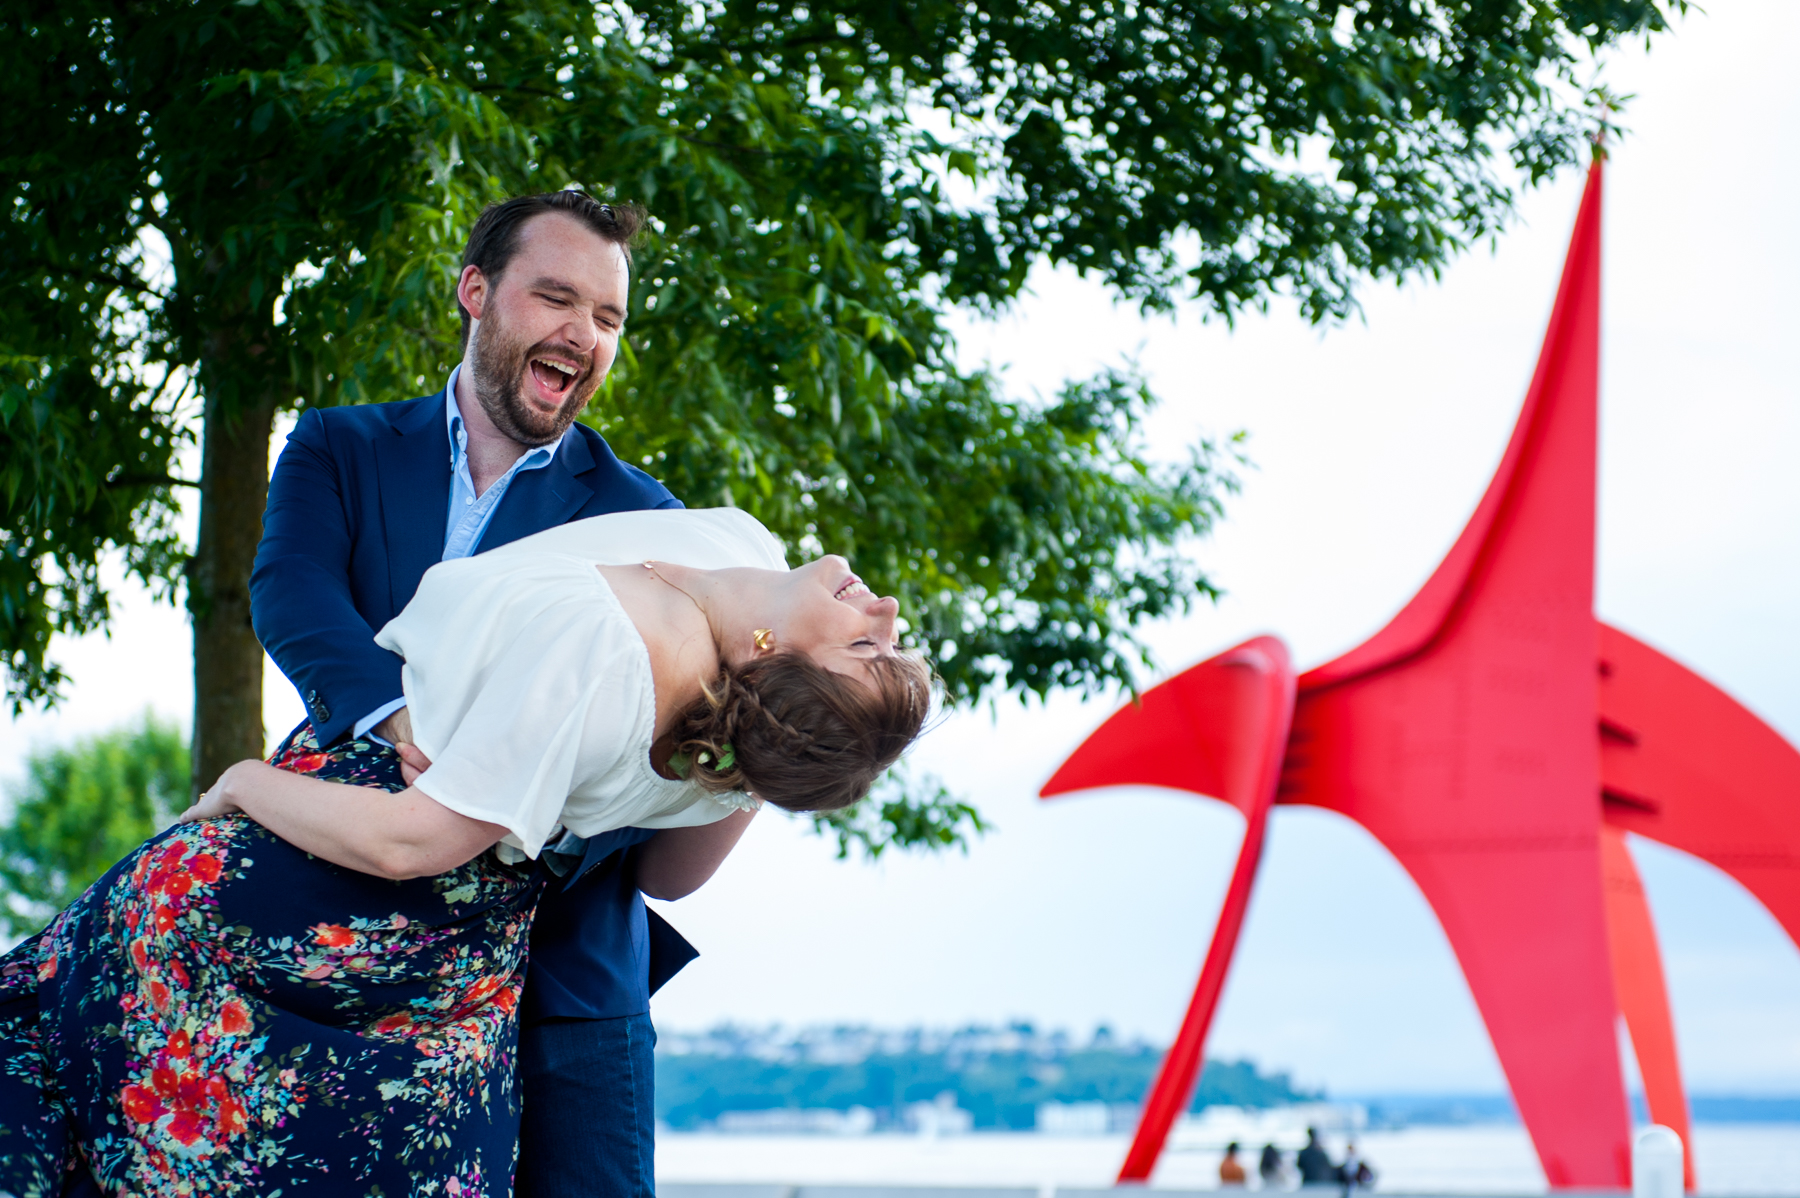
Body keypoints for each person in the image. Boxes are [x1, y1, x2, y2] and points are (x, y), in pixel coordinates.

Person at [0, 508, 932, 1196]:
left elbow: (416, 843)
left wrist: (244, 782)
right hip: (436, 937)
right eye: (891, 642)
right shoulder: (746, 560)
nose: (883, 607)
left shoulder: (614, 662)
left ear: (787, 669)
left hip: (349, 887)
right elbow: (675, 877)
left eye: (866, 646)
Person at [256, 188, 702, 1198]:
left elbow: (656, 733)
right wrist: (394, 719)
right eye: (556, 298)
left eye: (608, 318)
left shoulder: (652, 524)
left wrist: (499, 817)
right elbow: (294, 594)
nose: (582, 335)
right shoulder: (338, 445)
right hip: (335, 943)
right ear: (476, 292)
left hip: (566, 976)